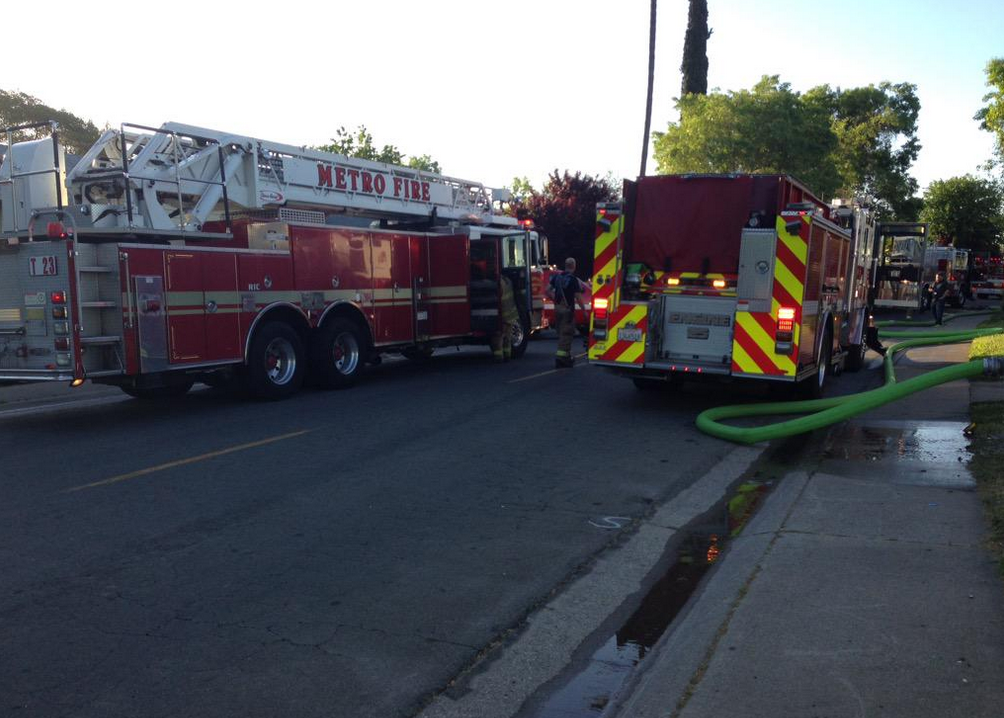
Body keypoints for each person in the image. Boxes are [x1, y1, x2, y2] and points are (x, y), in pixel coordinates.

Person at [546, 257, 588, 368]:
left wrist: (555, 300)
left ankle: (564, 356)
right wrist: (584, 311)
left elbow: (547, 290)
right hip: (567, 310)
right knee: (567, 333)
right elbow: (578, 297)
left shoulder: (557, 277)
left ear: (565, 265)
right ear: (574, 266)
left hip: (558, 308)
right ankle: (562, 359)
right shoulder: (573, 279)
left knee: (560, 333)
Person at [491, 274, 519, 362]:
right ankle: (507, 355)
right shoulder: (507, 280)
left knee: (498, 336)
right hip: (511, 313)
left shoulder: (498, 282)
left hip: (503, 313)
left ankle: (498, 356)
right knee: (507, 336)